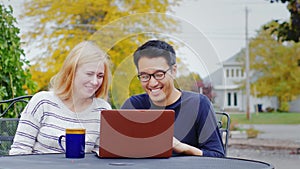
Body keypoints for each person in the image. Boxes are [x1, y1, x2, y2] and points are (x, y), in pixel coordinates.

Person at [121, 40, 225, 157]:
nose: (152, 83)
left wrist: (182, 148)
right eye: (145, 76)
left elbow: (218, 156)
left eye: (159, 74)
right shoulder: (133, 105)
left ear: (173, 71)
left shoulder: (198, 104)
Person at [9, 41, 112, 155]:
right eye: (89, 74)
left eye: (100, 76)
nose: (95, 82)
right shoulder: (43, 102)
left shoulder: (103, 111)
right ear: (71, 72)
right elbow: (19, 152)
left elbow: (99, 160)